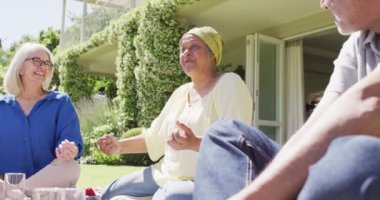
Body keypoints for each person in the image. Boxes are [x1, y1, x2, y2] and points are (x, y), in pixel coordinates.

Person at [193, 0, 380, 199]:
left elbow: (367, 105)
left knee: (357, 156)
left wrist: (253, 196)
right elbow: (317, 125)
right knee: (225, 134)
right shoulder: (357, 43)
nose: (323, 4)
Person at [98, 26, 253, 200]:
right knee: (109, 192)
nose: (186, 53)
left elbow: (235, 143)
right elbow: (153, 138)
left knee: (170, 197)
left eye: (194, 47)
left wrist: (194, 143)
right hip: (165, 175)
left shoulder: (229, 84)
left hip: (206, 180)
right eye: (182, 49)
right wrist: (119, 146)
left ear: (213, 54)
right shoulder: (180, 93)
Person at [0, 43, 83, 197]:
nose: (43, 67)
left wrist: (70, 149)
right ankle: (18, 195)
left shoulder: (61, 102)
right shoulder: (1, 107)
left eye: (47, 64)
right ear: (20, 68)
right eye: (37, 61)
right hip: (5, 184)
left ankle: (15, 195)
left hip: (49, 182)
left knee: (70, 166)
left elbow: (72, 141)